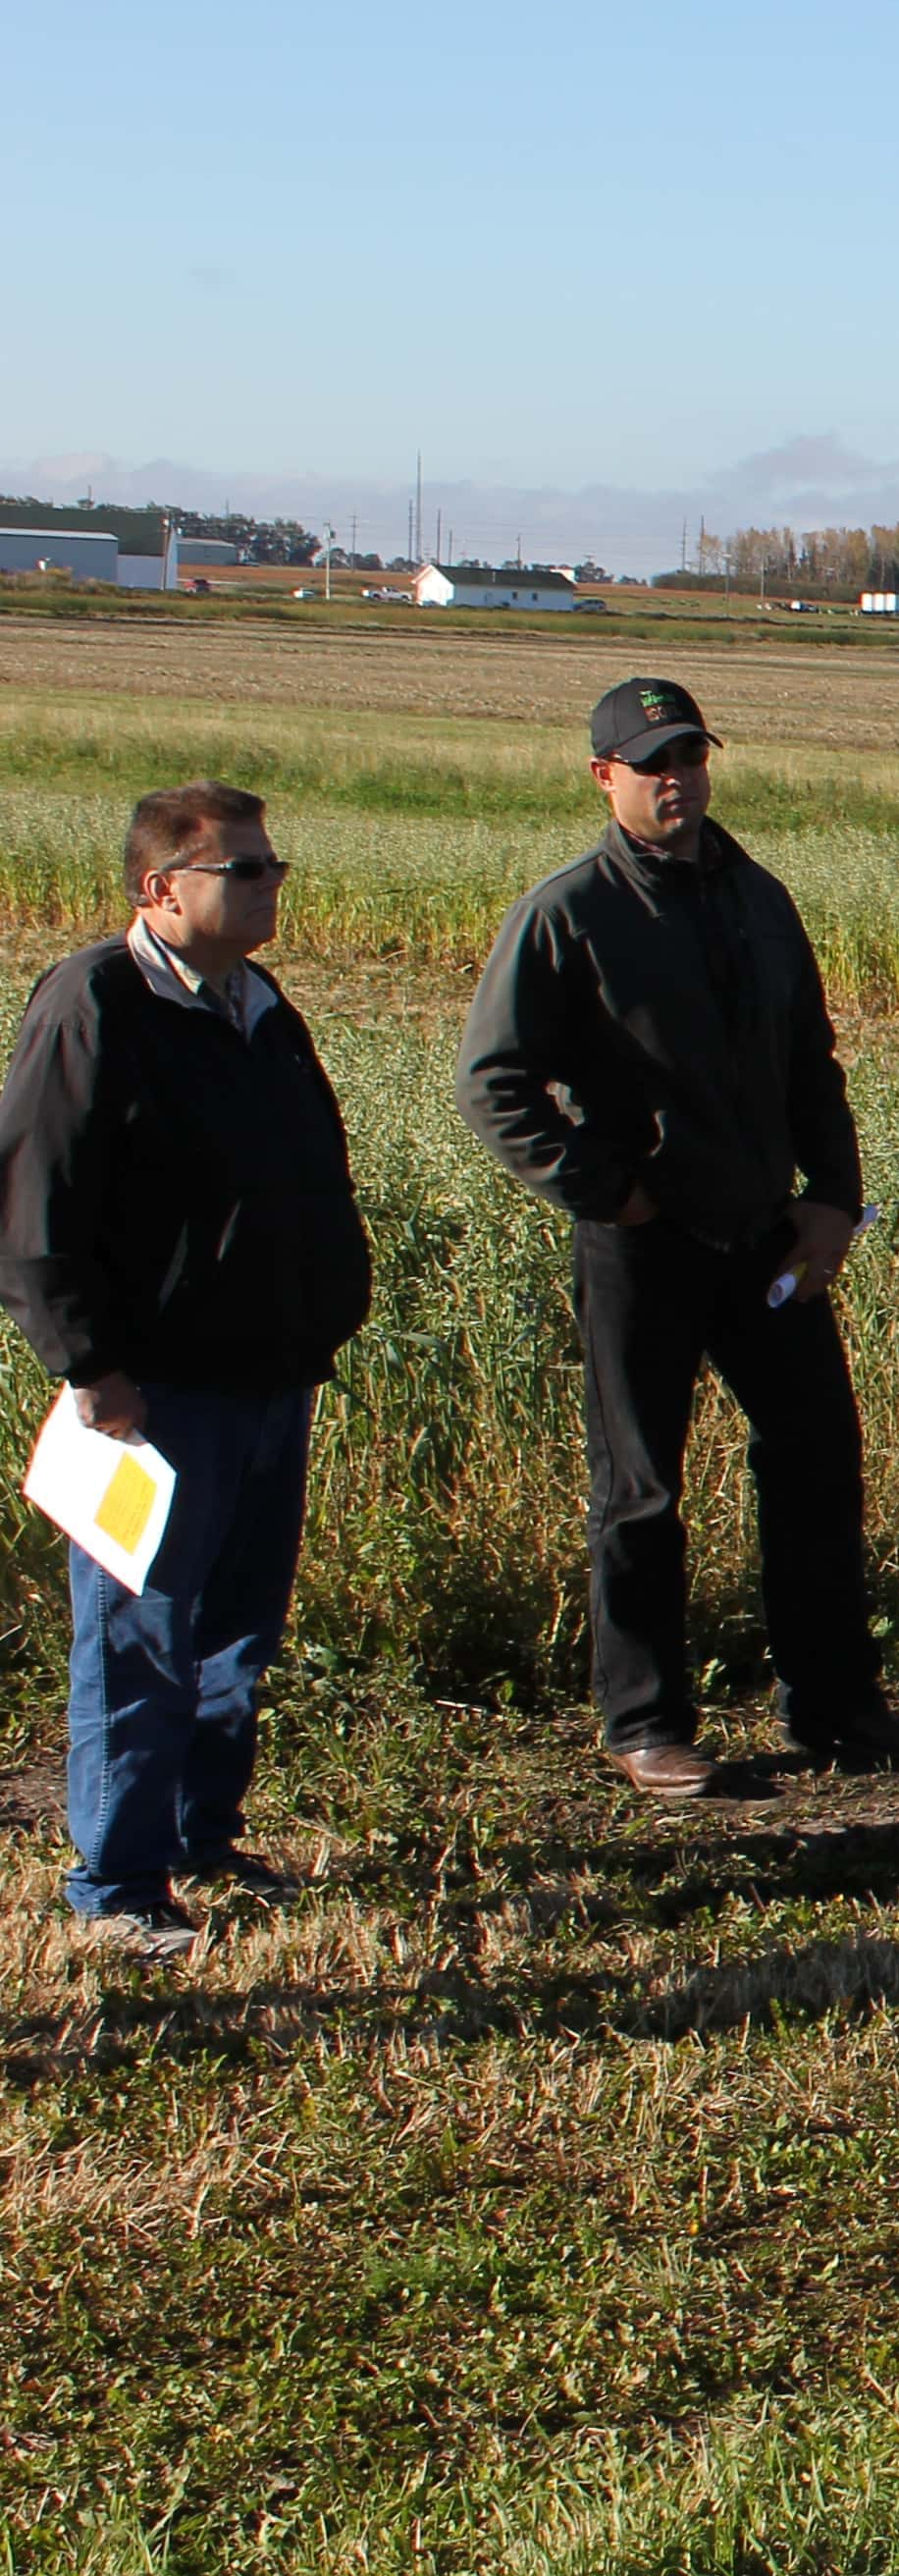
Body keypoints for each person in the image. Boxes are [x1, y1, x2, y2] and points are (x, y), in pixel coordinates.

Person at [458, 676, 899, 1795]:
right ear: (605, 779)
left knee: (818, 1461)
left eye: (689, 757)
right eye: (652, 764)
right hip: (642, 1246)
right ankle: (645, 1723)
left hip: (767, 1238)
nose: (677, 779)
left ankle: (835, 1710)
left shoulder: (757, 897)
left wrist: (833, 1197)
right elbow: (494, 1087)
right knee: (641, 1487)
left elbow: (812, 1063)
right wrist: (612, 1191)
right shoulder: (569, 912)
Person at [0, 781, 369, 1959]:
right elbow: (34, 1205)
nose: (270, 887)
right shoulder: (95, 1002)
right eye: (244, 870)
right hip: (155, 1393)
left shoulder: (257, 1003)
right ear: (163, 889)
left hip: (268, 1376)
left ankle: (202, 1834)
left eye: (272, 867)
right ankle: (116, 1886)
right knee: (136, 1638)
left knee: (234, 1633)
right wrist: (90, 1364)